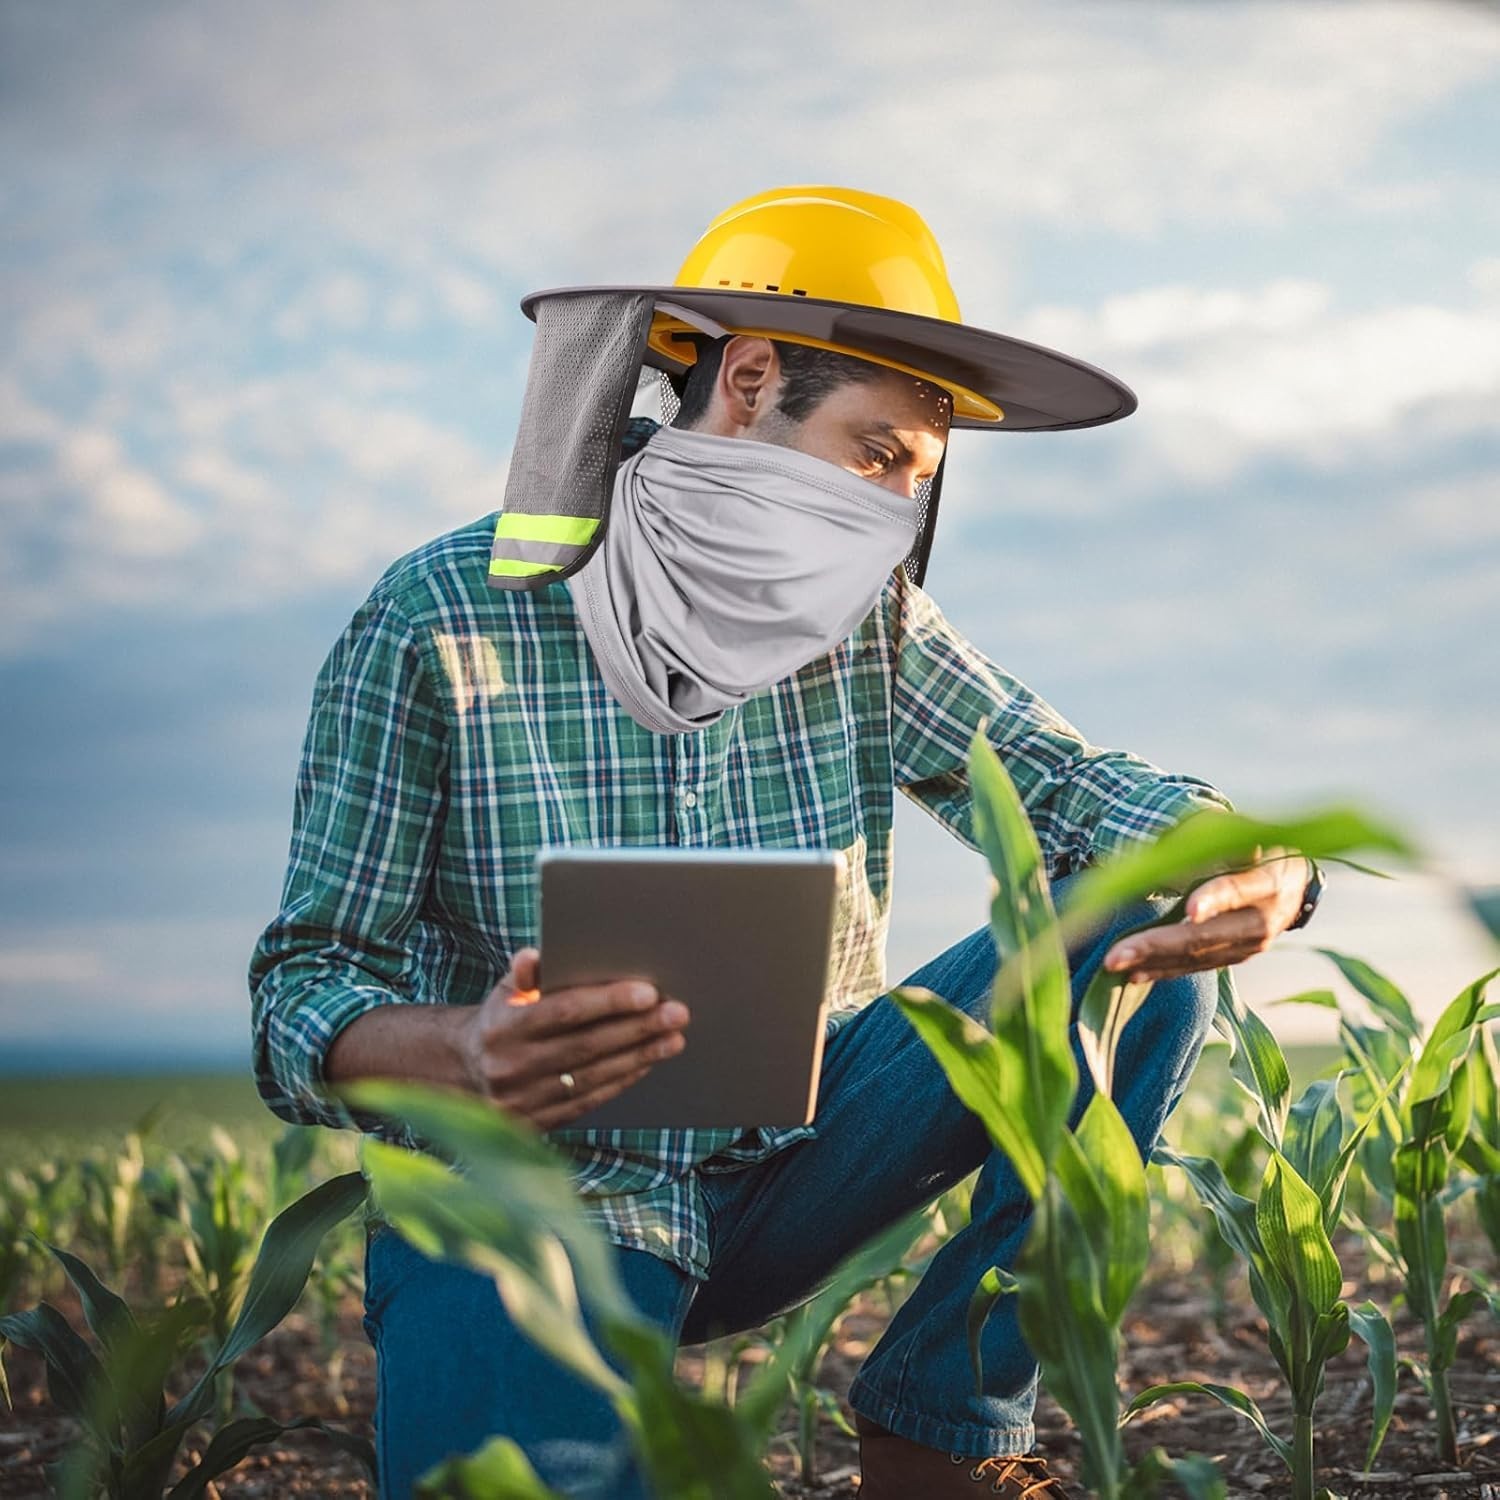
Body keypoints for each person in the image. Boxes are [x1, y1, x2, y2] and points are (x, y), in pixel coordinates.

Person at [249, 186, 1320, 1499]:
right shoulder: (435, 620)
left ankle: (940, 1428)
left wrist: (1266, 867)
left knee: (1134, 922)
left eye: (913, 484)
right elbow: (303, 982)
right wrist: (464, 1052)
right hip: (526, 1197)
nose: (888, 514)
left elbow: (1076, 784)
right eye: (876, 457)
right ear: (750, 383)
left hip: (797, 1156)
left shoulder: (866, 625)